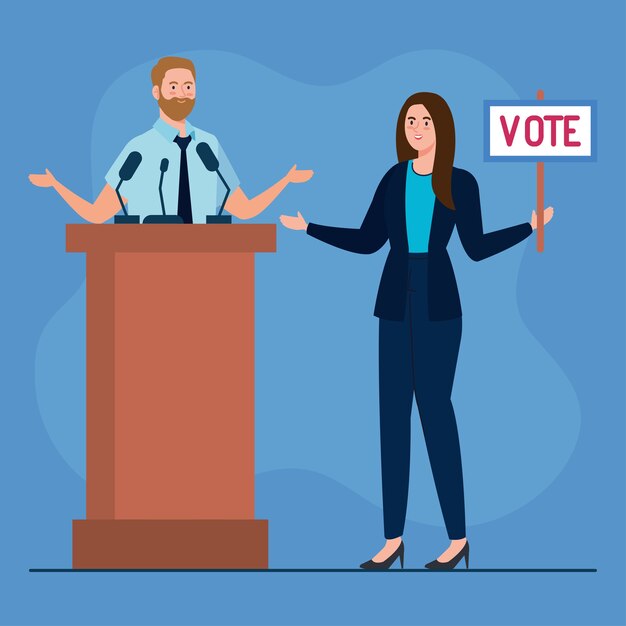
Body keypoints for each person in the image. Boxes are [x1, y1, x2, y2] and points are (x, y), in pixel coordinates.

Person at [280, 92, 554, 570]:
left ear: (442, 128)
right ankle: (392, 539)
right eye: (410, 119)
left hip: (439, 306)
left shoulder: (461, 182)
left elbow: (476, 248)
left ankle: (457, 537)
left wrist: (527, 228)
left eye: (426, 120)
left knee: (435, 414)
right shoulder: (392, 178)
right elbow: (368, 241)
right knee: (391, 420)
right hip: (393, 303)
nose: (417, 127)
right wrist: (310, 228)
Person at [29, 56, 313, 222]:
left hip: (207, 268)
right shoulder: (138, 150)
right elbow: (98, 214)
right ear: (157, 92)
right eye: (174, 86)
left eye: (188, 86)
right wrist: (56, 185)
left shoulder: (208, 147)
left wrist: (285, 180)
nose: (182, 93)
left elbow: (244, 209)